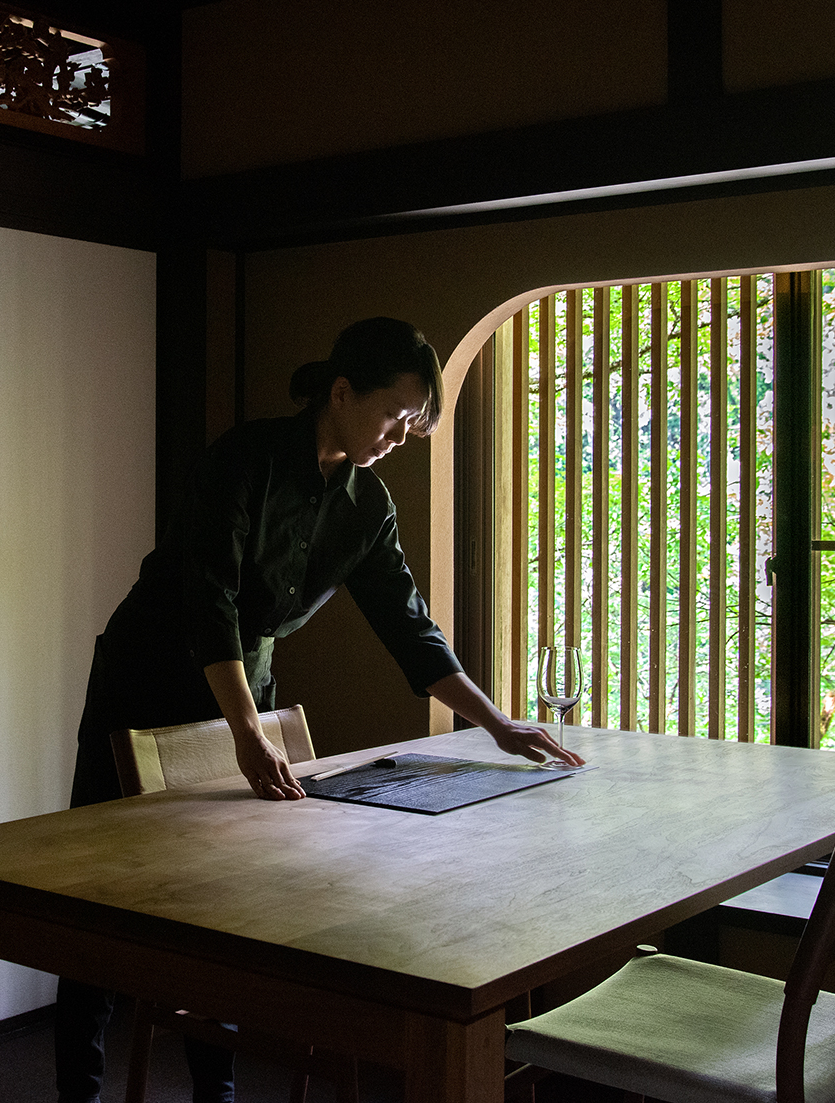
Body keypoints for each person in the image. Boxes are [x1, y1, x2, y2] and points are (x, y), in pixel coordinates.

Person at [54, 316, 585, 1103]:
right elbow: (211, 599)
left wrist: (498, 723)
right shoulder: (244, 459)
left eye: (414, 424)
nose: (401, 435)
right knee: (94, 896)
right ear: (340, 392)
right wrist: (244, 729)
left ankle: (217, 1090)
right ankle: (79, 1089)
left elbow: (411, 629)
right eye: (393, 414)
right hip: (149, 674)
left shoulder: (366, 505)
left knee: (227, 901)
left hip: (246, 686)